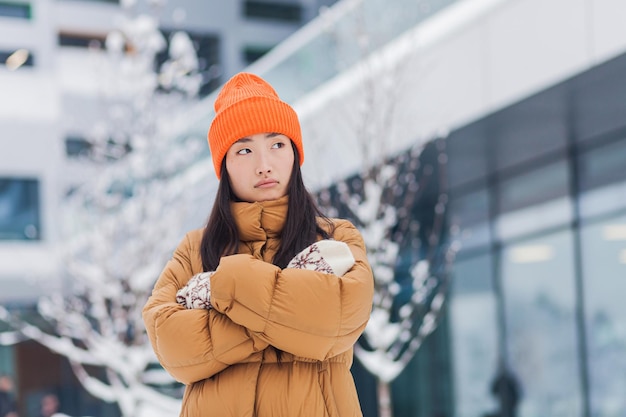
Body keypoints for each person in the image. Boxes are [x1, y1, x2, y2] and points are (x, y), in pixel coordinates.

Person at [143, 72, 375, 417]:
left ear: (295, 154)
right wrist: (285, 317)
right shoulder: (195, 248)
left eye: (277, 145)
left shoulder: (335, 236)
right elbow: (172, 346)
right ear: (225, 165)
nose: (264, 165)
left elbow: (336, 320)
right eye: (245, 150)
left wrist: (228, 285)